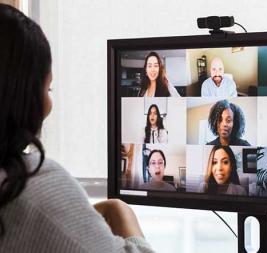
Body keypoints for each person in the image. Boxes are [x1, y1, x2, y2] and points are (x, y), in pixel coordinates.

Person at [0, 4, 153, 252]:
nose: (49, 104)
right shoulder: (30, 184)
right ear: (22, 94)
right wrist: (120, 212)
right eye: (48, 89)